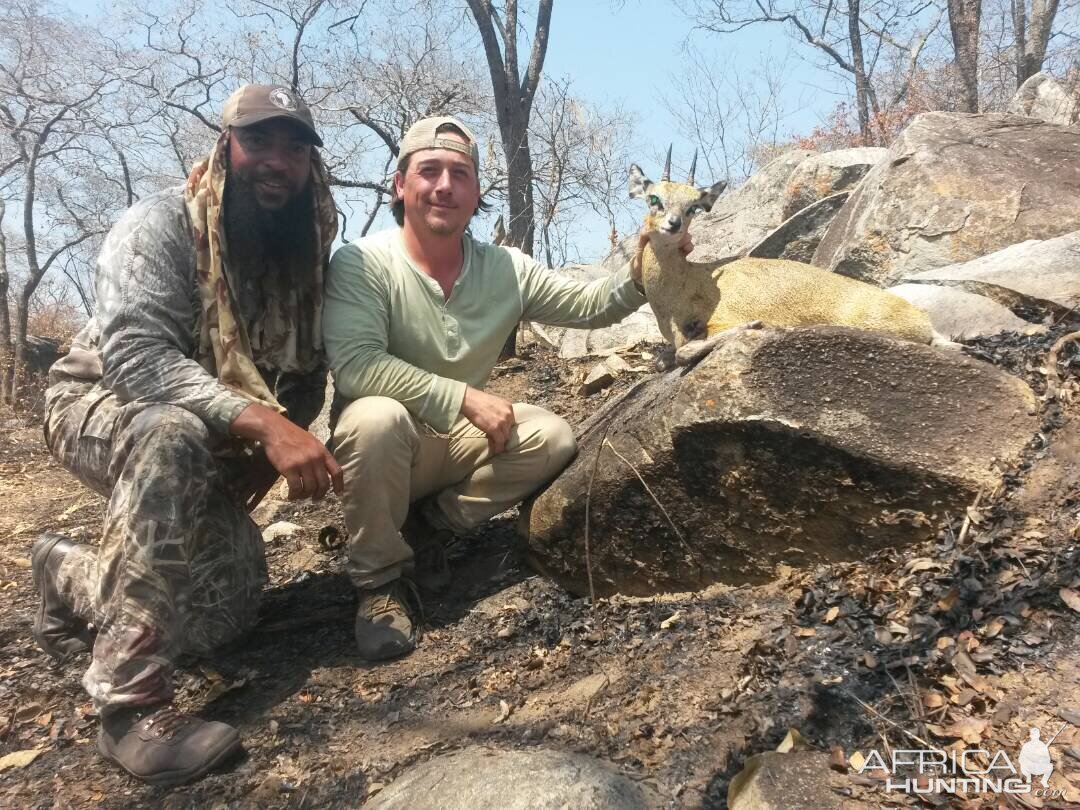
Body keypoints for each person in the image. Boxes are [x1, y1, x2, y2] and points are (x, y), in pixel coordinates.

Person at [31, 84, 342, 787]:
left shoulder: (306, 255)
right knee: (171, 433)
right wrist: (266, 427)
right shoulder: (160, 223)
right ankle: (129, 708)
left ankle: (63, 573)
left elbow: (304, 379)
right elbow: (138, 360)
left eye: (295, 149)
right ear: (226, 147)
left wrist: (263, 460)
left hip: (215, 439)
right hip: (100, 403)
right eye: (259, 141)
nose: (276, 162)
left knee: (220, 615)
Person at [324, 116, 674, 662]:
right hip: (388, 447)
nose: (444, 185)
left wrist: (644, 272)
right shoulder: (361, 263)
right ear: (400, 185)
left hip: (457, 442)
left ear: (476, 192)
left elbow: (590, 306)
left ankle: (428, 527)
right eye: (429, 171)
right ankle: (380, 584)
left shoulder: (506, 268)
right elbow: (356, 367)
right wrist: (463, 396)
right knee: (374, 419)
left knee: (552, 436)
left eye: (460, 174)